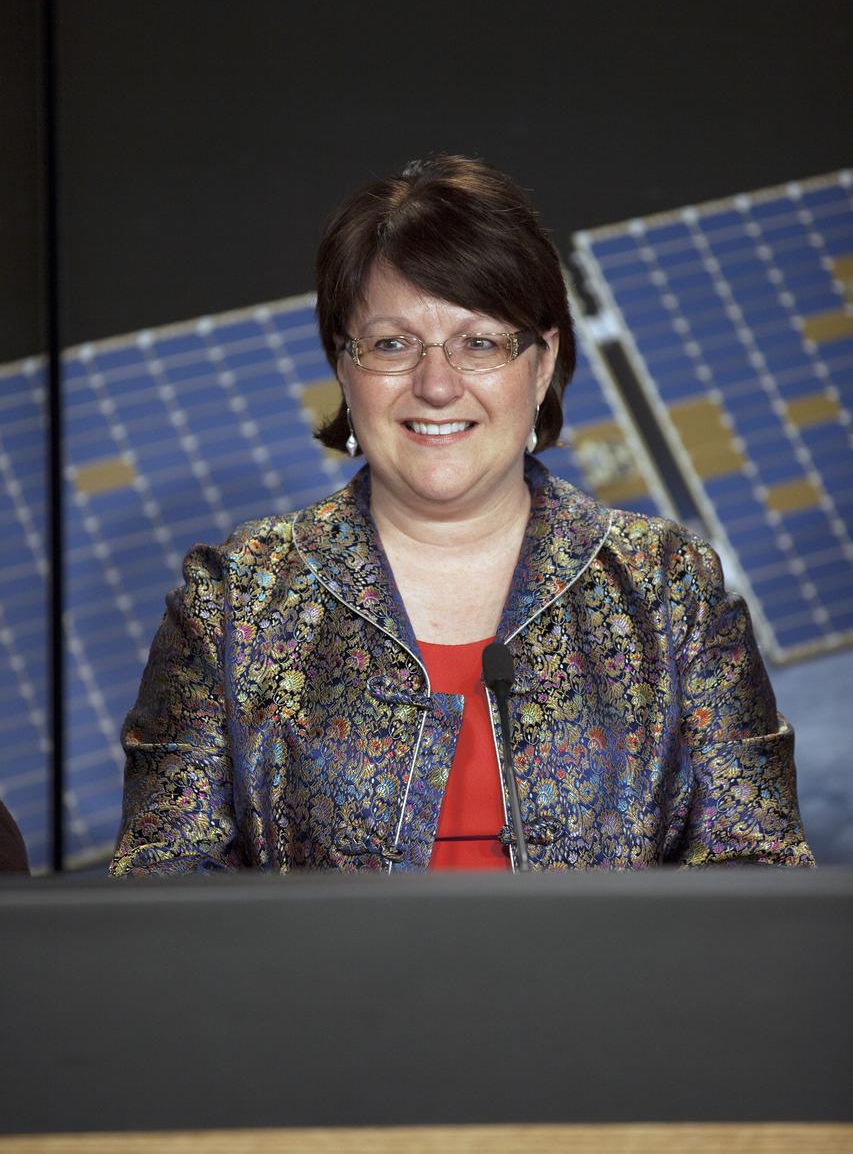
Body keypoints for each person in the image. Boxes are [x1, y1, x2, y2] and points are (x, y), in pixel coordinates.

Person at [110, 155, 813, 875]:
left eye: (479, 343)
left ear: (541, 365)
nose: (436, 384)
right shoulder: (232, 600)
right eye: (392, 344)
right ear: (342, 367)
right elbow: (163, 889)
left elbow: (754, 871)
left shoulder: (668, 589)